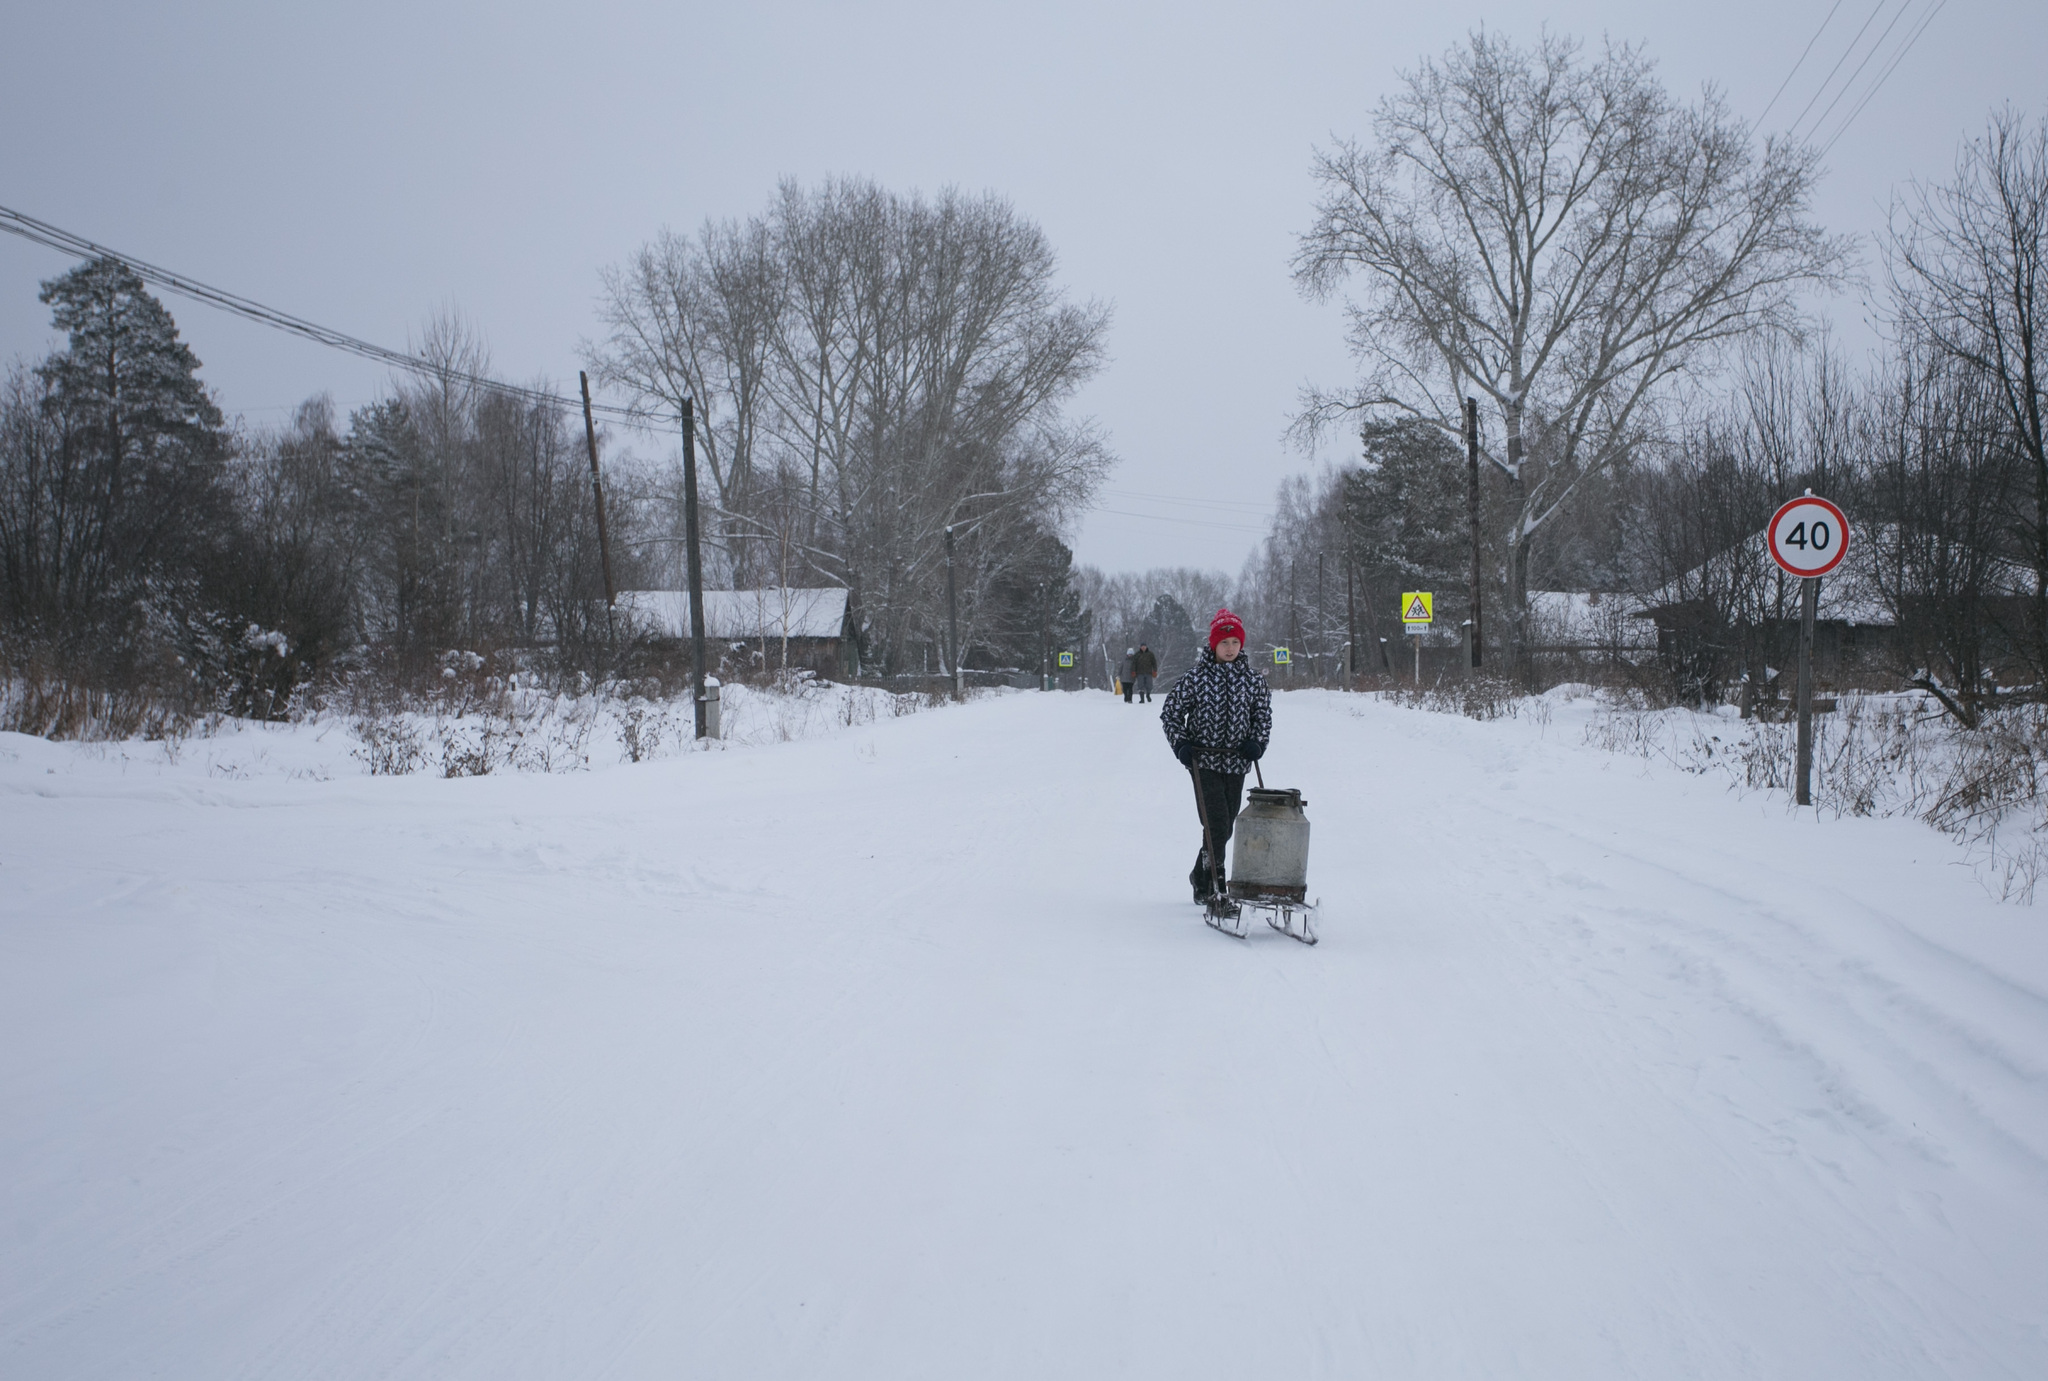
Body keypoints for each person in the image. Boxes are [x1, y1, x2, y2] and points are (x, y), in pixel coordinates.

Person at [1159, 608, 1272, 903]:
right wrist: (1182, 745)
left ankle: (1200, 874)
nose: (1230, 648)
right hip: (1203, 762)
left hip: (1236, 762)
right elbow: (1171, 714)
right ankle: (1215, 882)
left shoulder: (1253, 681)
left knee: (1226, 823)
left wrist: (1257, 744)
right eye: (1224, 643)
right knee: (1216, 823)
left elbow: (1263, 718)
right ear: (1213, 645)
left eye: (1235, 642)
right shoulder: (1195, 679)